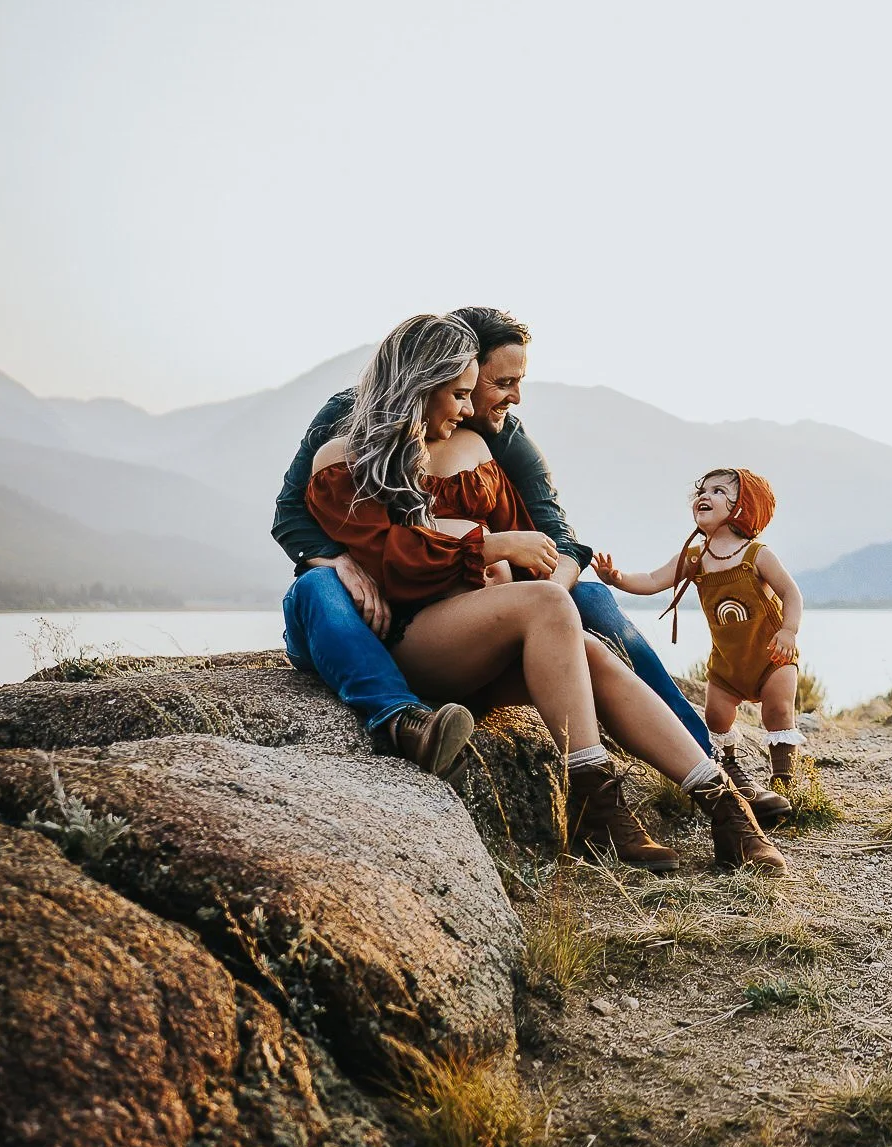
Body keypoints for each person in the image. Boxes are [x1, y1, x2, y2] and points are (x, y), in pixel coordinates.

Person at [298, 313, 783, 874]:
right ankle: (596, 802)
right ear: (421, 386)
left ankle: (725, 811)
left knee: (592, 650)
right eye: (458, 393)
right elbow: (390, 562)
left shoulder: (479, 448)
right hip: (410, 641)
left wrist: (503, 566)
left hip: (481, 638)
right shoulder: (341, 459)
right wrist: (484, 547)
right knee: (555, 606)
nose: (464, 409)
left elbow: (540, 548)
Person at [594, 468, 810, 793]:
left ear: (743, 507)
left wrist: (789, 631)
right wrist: (618, 578)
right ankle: (731, 767)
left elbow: (791, 593)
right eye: (702, 491)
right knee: (716, 718)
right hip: (727, 666)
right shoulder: (695, 557)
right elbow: (654, 581)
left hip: (771, 657)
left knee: (778, 710)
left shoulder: (757, 555)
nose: (704, 496)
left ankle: (784, 779)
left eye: (719, 491)